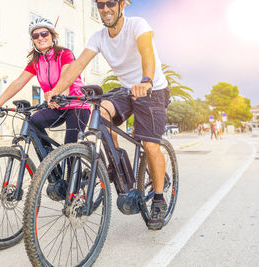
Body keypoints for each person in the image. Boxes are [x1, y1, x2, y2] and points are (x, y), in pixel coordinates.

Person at [46, 0, 170, 230]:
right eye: (100, 4)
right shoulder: (99, 37)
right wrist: (56, 91)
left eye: (111, 2)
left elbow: (147, 53)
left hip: (152, 89)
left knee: (150, 145)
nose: (105, 9)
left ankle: (160, 199)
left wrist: (146, 80)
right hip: (125, 90)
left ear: (123, 4)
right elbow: (77, 66)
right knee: (100, 111)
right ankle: (116, 163)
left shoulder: (137, 25)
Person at [0, 18, 91, 148]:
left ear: (52, 36)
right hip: (54, 105)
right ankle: (50, 164)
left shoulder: (64, 54)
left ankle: (71, 164)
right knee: (32, 123)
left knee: (70, 146)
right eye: (35, 36)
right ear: (33, 41)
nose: (40, 38)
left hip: (76, 104)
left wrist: (59, 96)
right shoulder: (36, 62)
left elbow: (66, 77)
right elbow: (18, 82)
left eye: (44, 34)